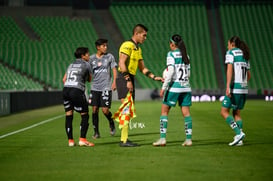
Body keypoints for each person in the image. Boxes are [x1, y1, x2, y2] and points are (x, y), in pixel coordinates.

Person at [116, 24, 163, 147]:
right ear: (137, 33)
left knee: (128, 109)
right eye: (144, 35)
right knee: (126, 108)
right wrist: (127, 79)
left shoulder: (138, 49)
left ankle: (124, 138)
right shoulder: (127, 45)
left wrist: (154, 77)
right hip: (123, 78)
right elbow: (121, 62)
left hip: (129, 78)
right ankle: (124, 140)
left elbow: (142, 68)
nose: (145, 38)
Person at [153, 34, 193, 147]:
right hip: (186, 86)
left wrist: (164, 87)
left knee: (164, 111)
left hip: (174, 87)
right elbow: (188, 74)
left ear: (172, 44)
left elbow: (170, 72)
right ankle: (188, 139)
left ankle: (162, 139)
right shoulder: (186, 55)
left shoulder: (171, 54)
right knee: (186, 113)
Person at [220, 36, 250, 146]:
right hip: (244, 87)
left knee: (224, 111)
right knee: (236, 113)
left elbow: (229, 70)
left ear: (232, 44)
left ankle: (238, 133)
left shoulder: (231, 52)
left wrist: (228, 86)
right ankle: (240, 140)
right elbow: (249, 75)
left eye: (228, 44)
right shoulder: (244, 54)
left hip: (235, 87)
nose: (228, 46)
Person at [62, 47, 94, 147]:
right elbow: (89, 79)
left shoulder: (71, 64)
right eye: (88, 54)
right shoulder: (87, 64)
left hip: (66, 89)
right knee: (85, 114)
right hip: (76, 90)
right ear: (83, 56)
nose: (89, 56)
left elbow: (64, 79)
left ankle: (70, 141)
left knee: (69, 114)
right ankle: (82, 139)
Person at [88, 38, 117, 139]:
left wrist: (114, 82)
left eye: (106, 45)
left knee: (105, 110)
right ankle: (96, 132)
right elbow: (89, 73)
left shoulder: (109, 57)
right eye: (103, 46)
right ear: (98, 47)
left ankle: (111, 122)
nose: (106, 47)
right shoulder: (91, 59)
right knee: (94, 109)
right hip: (95, 87)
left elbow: (114, 69)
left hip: (106, 87)